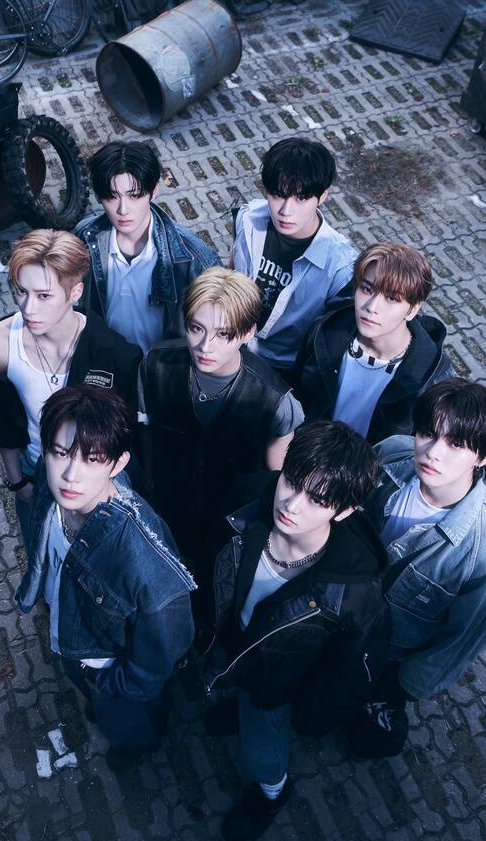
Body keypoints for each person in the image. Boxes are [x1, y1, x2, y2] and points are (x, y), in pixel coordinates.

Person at [202, 422, 389, 841]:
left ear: (344, 511)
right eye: (291, 481)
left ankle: (271, 793)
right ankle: (237, 701)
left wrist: (309, 716)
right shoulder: (250, 496)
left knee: (262, 750)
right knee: (238, 688)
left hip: (277, 685)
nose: (291, 504)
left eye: (317, 499)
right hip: (234, 642)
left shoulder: (354, 592)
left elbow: (348, 669)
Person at [337, 379, 486, 759]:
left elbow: (457, 644)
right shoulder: (391, 453)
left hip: (385, 653)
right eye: (428, 433)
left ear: (485, 456)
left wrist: (398, 688)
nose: (433, 453)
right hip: (334, 609)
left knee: (366, 740)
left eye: (456, 444)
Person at [16, 385, 196, 771]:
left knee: (125, 723)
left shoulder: (141, 555)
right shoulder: (50, 479)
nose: (70, 474)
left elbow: (166, 644)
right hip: (71, 641)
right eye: (60, 452)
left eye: (92, 459)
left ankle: (138, 745)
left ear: (117, 464)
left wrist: (115, 685)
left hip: (107, 668)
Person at [137, 267, 304, 609]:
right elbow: (143, 437)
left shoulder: (275, 399)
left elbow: (275, 479)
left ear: (248, 332)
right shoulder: (156, 364)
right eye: (196, 328)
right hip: (164, 510)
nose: (204, 346)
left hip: (227, 528)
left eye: (223, 334)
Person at [0, 230, 141, 543]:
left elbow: (125, 433)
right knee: (41, 555)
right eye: (21, 291)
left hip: (94, 480)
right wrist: (17, 482)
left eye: (44, 296)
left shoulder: (113, 354)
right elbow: (4, 420)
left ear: (75, 292)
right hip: (34, 471)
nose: (28, 308)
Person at [295, 241, 454, 441]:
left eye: (391, 298)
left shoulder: (432, 377)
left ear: (413, 309)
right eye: (367, 289)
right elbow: (296, 396)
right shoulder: (324, 331)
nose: (372, 307)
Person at [76, 140, 220, 353]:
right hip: (102, 361)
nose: (123, 209)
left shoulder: (195, 260)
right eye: (112, 196)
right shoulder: (86, 237)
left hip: (161, 367)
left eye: (134, 196)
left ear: (153, 192)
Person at [232, 136, 357, 375]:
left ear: (322, 196)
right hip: (232, 343)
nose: (285, 211)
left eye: (301, 198)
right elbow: (232, 266)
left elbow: (333, 340)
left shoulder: (340, 267)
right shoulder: (248, 219)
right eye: (277, 195)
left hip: (285, 369)